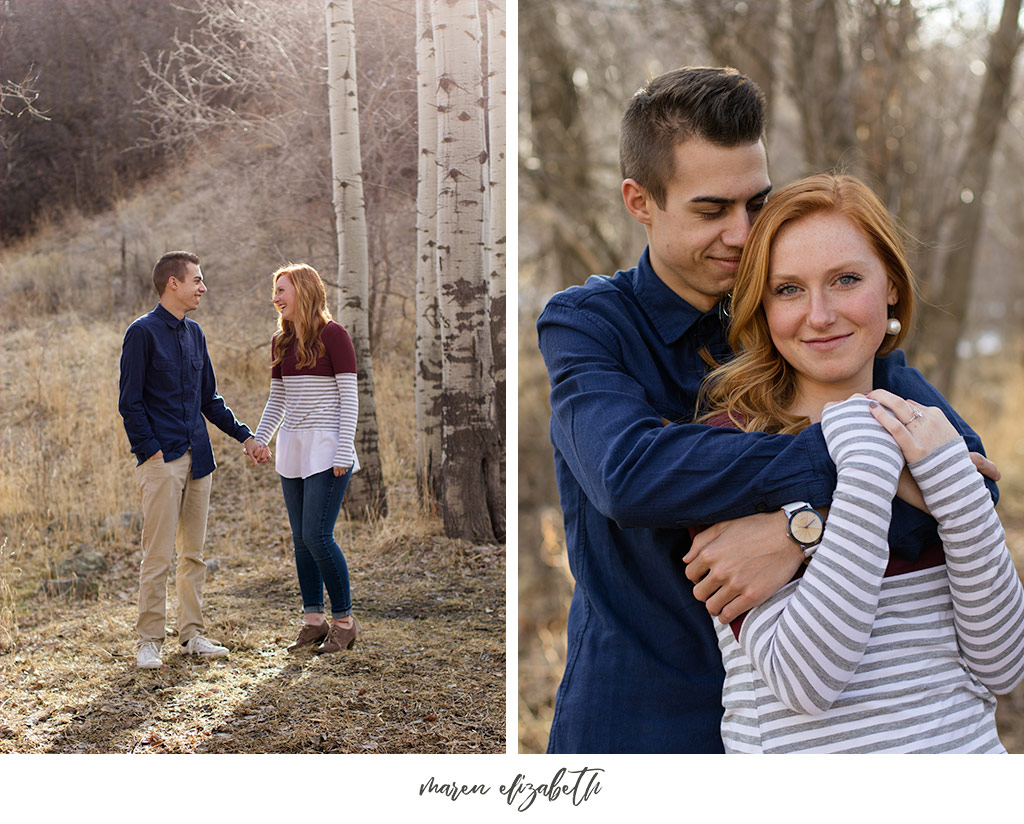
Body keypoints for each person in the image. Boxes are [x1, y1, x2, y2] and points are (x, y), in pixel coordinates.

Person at [536, 67, 998, 753]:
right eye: (711, 209)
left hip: (803, 732)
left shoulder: (803, 321)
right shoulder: (589, 324)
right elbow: (627, 475)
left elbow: (968, 487)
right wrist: (849, 453)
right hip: (644, 721)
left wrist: (802, 529)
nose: (743, 232)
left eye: (756, 203)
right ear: (641, 201)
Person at [696, 173, 1024, 751]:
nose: (819, 315)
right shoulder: (727, 451)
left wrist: (953, 483)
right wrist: (864, 458)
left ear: (891, 286)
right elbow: (805, 682)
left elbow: (1004, 665)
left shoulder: (931, 432)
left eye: (846, 280)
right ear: (761, 304)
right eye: (788, 289)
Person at [119, 250, 262, 670]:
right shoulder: (141, 333)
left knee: (194, 555)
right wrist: (151, 451)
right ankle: (149, 641)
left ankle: (193, 635)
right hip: (162, 460)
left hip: (200, 458)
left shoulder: (195, 333)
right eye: (197, 279)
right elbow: (130, 402)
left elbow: (209, 399)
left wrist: (246, 435)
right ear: (172, 284)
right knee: (158, 555)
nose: (203, 287)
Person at [252, 263, 361, 655]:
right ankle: (314, 621)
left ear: (305, 291)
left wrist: (344, 448)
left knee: (318, 535)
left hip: (328, 448)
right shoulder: (280, 341)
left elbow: (349, 398)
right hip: (293, 449)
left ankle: (345, 622)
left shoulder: (334, 335)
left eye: (283, 289)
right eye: (275, 290)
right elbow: (278, 398)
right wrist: (261, 439)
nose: (276, 297)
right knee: (301, 540)